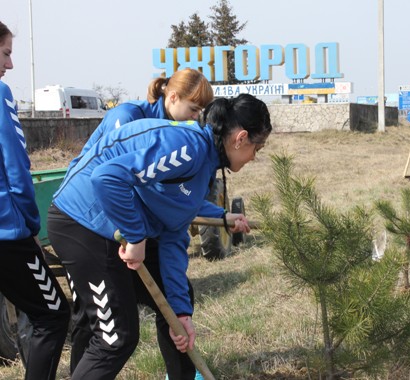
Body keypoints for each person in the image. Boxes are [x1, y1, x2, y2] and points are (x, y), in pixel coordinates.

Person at [47, 93, 272, 380]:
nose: (255, 156)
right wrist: (136, 237)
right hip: (82, 222)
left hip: (110, 226)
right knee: (116, 337)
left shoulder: (203, 166)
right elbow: (107, 177)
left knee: (177, 302)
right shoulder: (187, 148)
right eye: (258, 147)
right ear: (240, 138)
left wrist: (179, 313)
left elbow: (173, 234)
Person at [0, 21, 70, 380]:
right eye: (6, 53)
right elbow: (16, 164)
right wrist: (30, 226)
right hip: (7, 234)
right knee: (53, 314)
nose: (9, 65)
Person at [68, 68, 214, 170]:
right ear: (174, 97)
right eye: (193, 109)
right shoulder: (127, 116)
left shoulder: (170, 128)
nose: (195, 117)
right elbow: (108, 171)